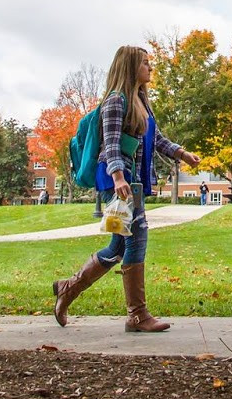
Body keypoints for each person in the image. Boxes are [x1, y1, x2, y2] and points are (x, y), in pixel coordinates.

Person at [51, 45, 201, 331]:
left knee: (118, 246)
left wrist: (182, 154)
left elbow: (157, 139)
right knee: (137, 236)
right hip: (117, 179)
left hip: (131, 181)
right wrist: (119, 177)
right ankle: (137, 315)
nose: (150, 68)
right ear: (131, 67)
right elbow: (110, 144)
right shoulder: (115, 101)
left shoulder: (141, 101)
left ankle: (68, 288)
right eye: (145, 63)